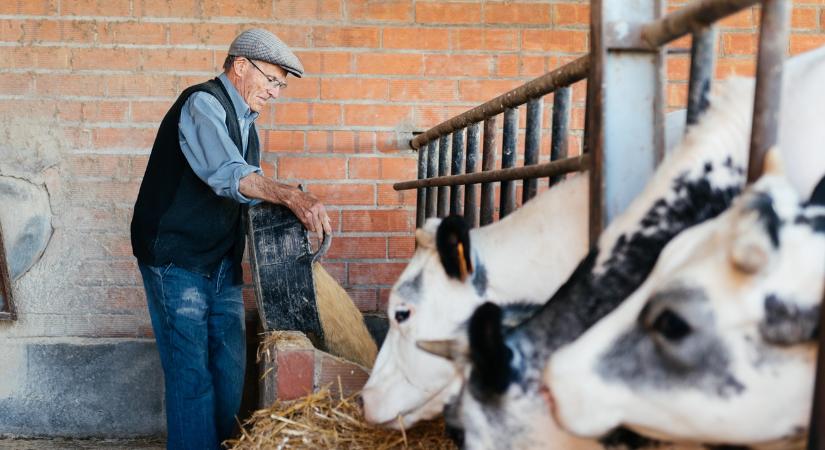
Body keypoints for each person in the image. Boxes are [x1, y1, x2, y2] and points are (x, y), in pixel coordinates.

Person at [130, 28, 331, 449]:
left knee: (229, 369)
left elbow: (248, 191)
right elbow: (230, 176)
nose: (276, 92)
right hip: (175, 258)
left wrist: (291, 208)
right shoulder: (202, 103)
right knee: (192, 374)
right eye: (272, 80)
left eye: (281, 85)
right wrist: (290, 196)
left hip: (219, 259)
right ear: (240, 66)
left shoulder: (247, 124)